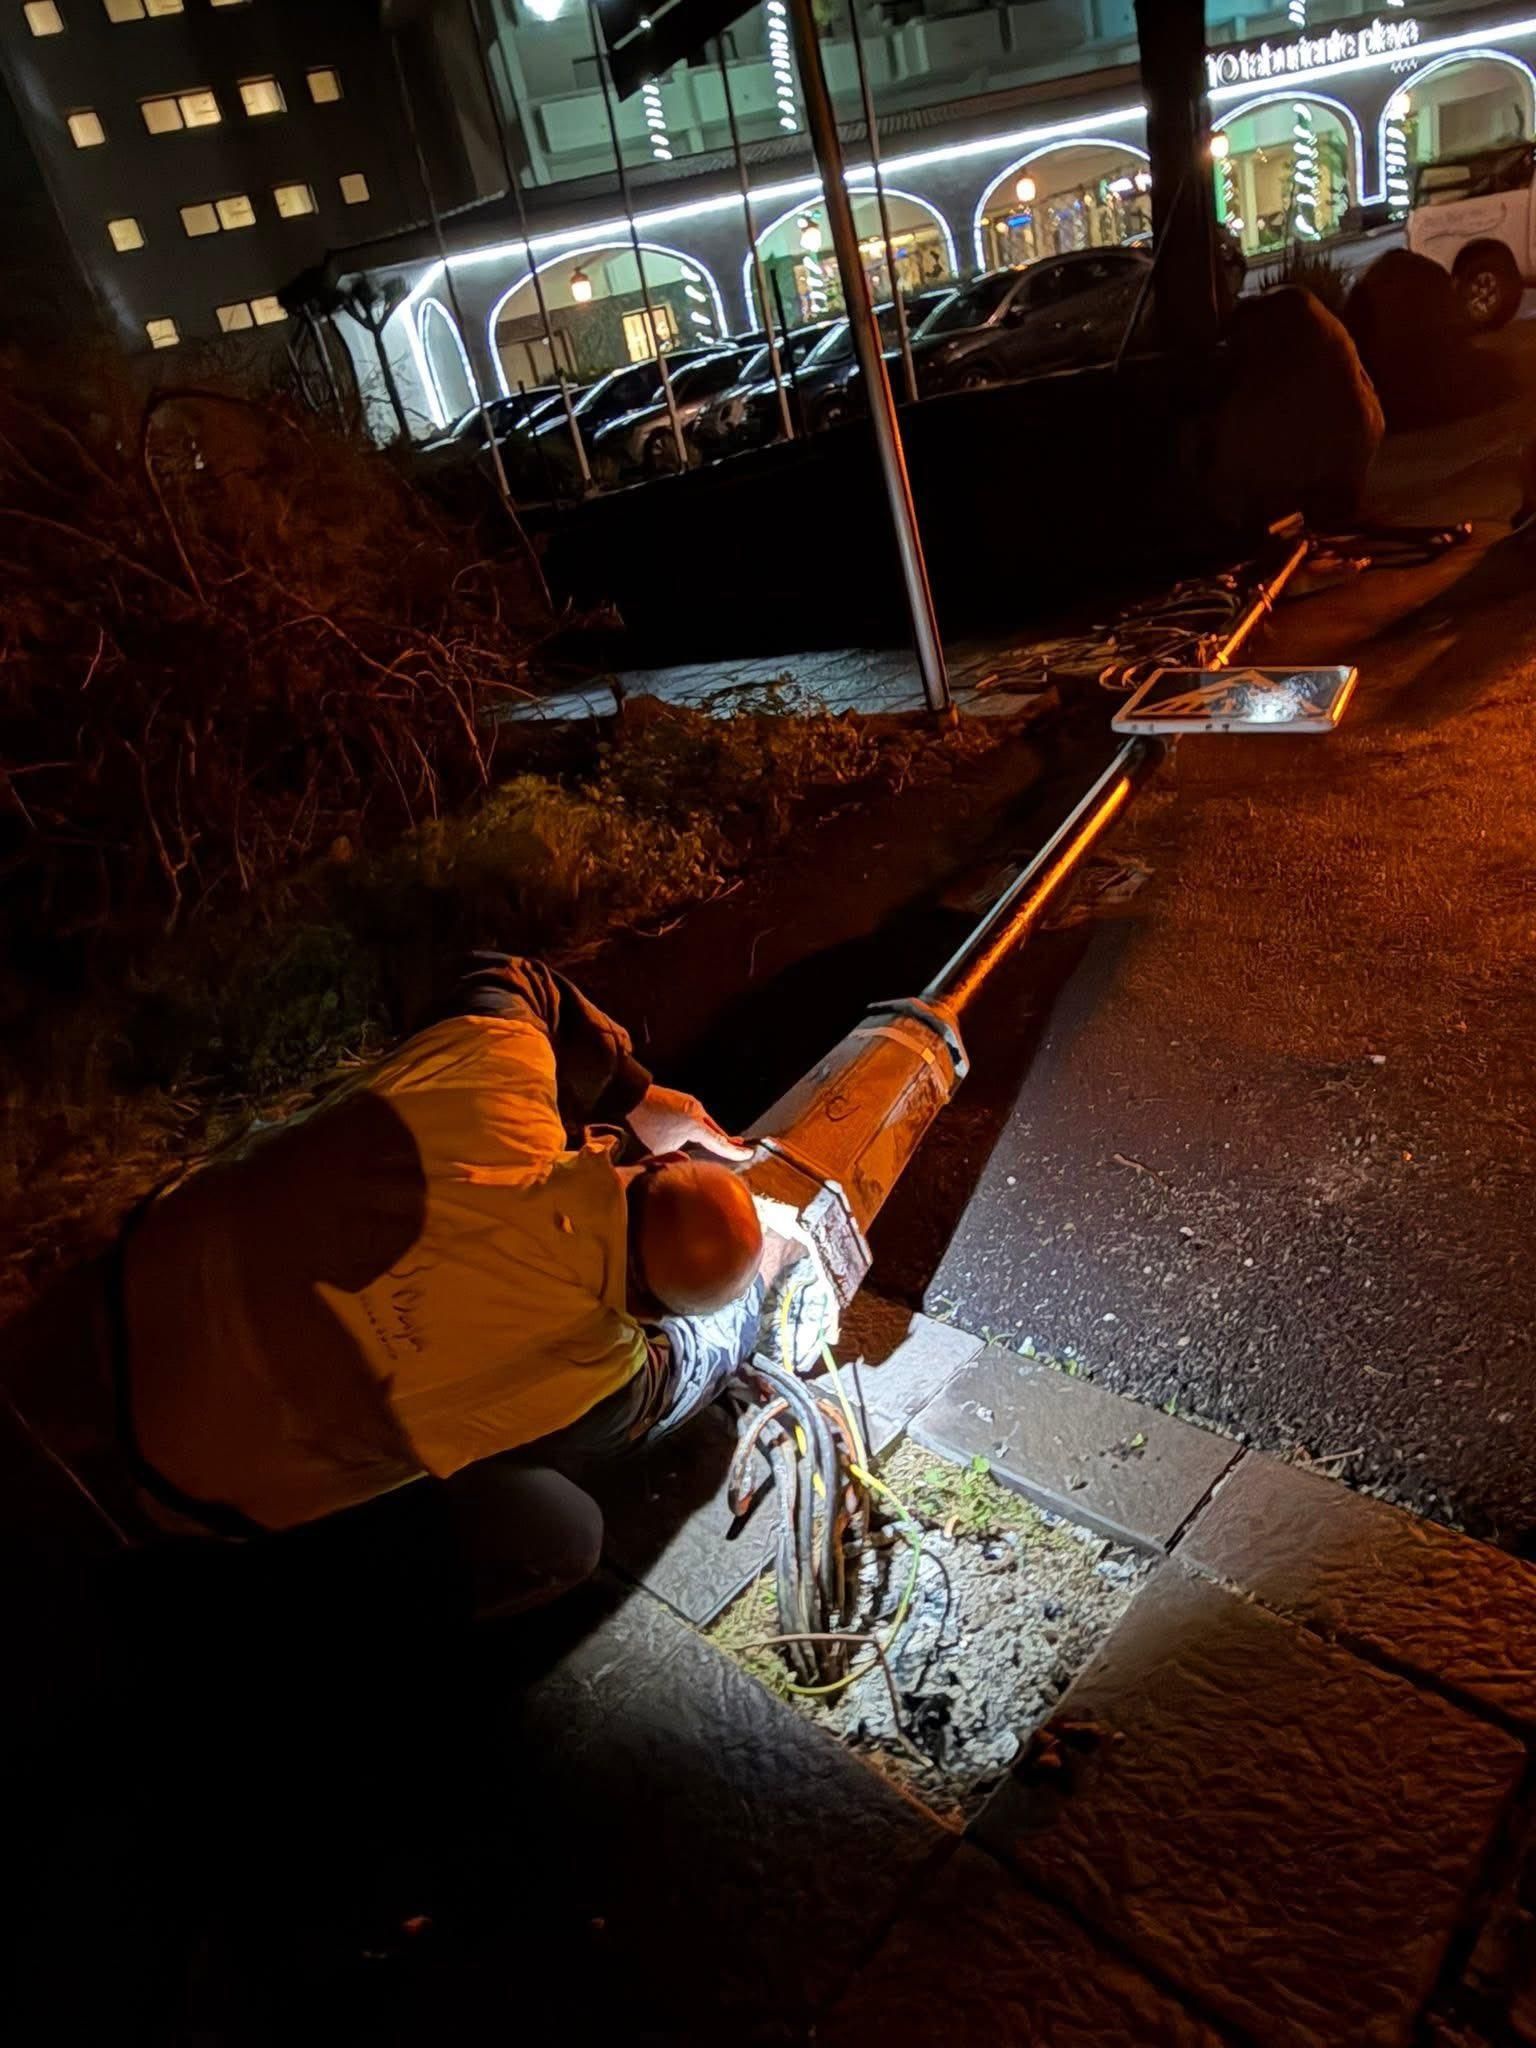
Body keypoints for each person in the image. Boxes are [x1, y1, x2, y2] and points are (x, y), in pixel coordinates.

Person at [2, 954, 766, 1621]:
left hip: (116, 1287)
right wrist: (746, 1301)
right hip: (169, 1483)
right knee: (561, 1537)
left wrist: (636, 1094)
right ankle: (240, 1634)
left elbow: (512, 978)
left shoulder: (497, 1084)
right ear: (654, 1312)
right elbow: (671, 1385)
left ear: (659, 1164)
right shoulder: (594, 1365)